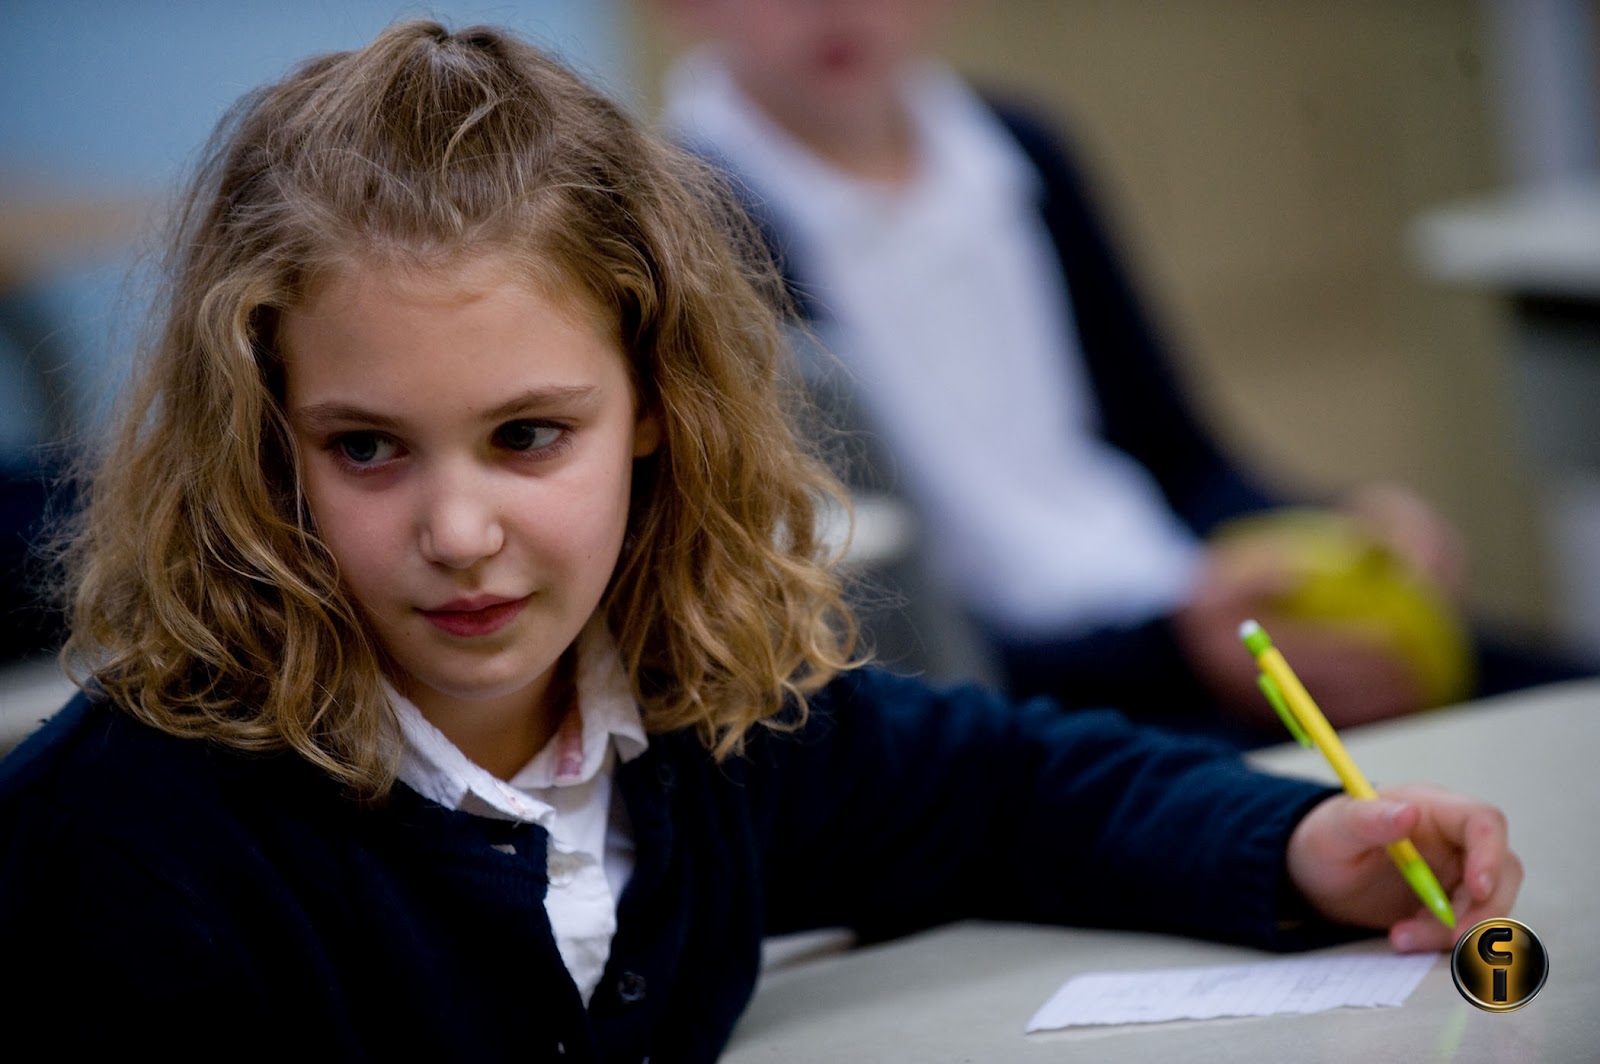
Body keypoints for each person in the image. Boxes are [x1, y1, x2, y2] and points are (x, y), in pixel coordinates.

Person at [0, 21, 1522, 1060]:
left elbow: (1002, 789)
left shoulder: (699, 722)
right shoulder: (125, 853)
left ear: (657, 405)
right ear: (268, 435)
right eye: (365, 449)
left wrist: (1289, 844)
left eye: (529, 436)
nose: (458, 533)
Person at [656, 0, 1594, 743]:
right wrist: (1176, 653)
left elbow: (1178, 459)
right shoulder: (689, 228)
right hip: (1020, 703)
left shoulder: (1023, 147)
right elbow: (874, 636)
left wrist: (1336, 531)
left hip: (1179, 621)